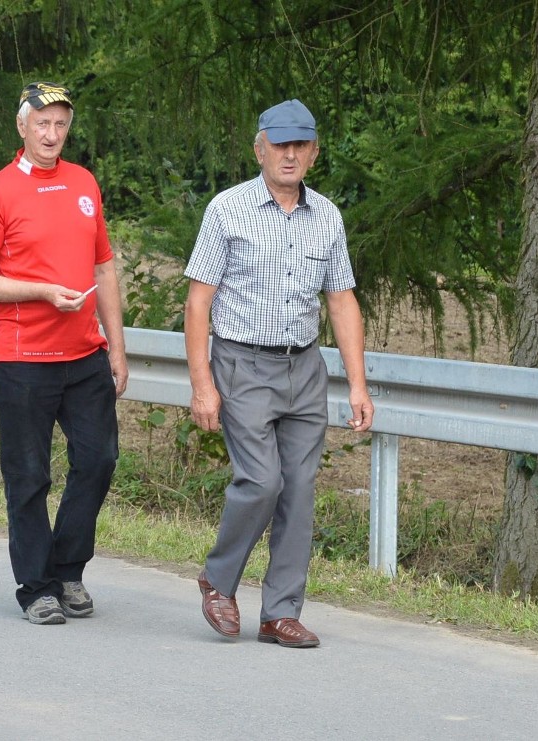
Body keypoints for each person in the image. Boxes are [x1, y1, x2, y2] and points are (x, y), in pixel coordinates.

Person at [184, 98, 374, 648]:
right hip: (242, 365)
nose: (289, 155)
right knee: (261, 480)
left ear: (313, 153)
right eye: (280, 144)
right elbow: (199, 303)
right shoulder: (227, 209)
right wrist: (203, 385)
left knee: (299, 490)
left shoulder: (328, 217)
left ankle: (280, 612)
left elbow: (341, 301)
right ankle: (219, 580)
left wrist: (357, 384)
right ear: (259, 148)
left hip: (305, 367)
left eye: (300, 146)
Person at [0, 81, 128, 625]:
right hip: (24, 358)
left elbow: (103, 268)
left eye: (60, 125)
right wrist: (39, 291)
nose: (52, 134)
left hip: (85, 357)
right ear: (22, 126)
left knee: (98, 461)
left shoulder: (84, 183)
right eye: (42, 124)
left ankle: (68, 568)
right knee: (29, 475)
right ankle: (36, 587)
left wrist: (117, 350)